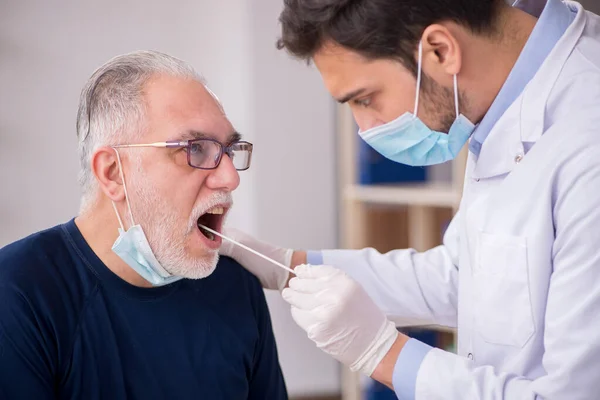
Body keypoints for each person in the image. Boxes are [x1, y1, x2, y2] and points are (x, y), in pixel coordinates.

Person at [220, 0, 600, 398]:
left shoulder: (584, 139)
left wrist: (384, 354)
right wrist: (287, 266)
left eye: (365, 98)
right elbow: (466, 277)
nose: (365, 127)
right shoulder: (501, 102)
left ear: (440, 50)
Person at [0, 51, 288, 399]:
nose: (229, 178)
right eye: (195, 149)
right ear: (113, 172)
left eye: (229, 150)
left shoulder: (236, 286)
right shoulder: (18, 294)